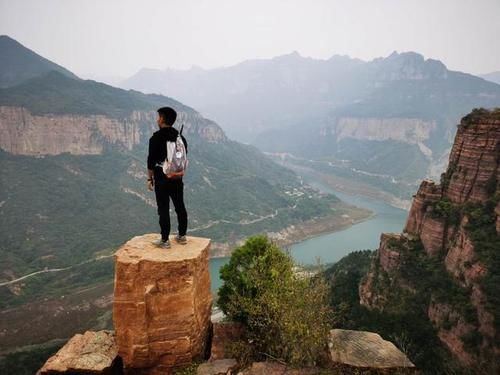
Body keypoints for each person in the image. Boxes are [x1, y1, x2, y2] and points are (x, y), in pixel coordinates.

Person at [147, 106, 188, 248]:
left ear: (163, 119)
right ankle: (182, 236)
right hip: (177, 178)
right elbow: (183, 158)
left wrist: (149, 179)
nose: (157, 119)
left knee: (163, 209)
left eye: (159, 117)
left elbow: (150, 161)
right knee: (180, 206)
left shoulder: (155, 138)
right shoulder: (180, 138)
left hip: (162, 177)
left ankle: (165, 240)